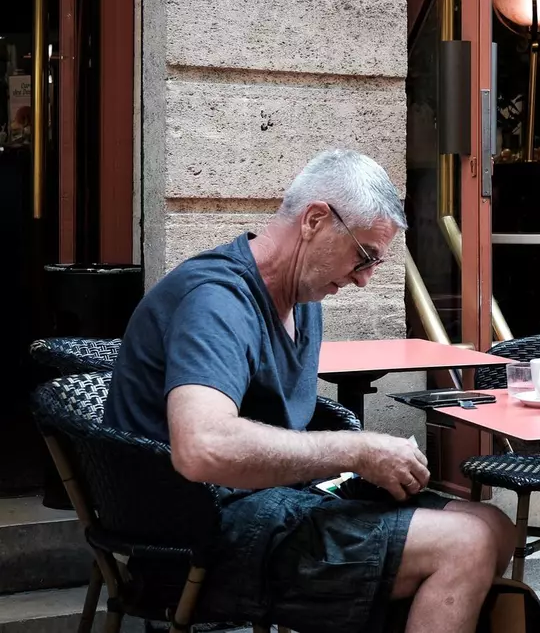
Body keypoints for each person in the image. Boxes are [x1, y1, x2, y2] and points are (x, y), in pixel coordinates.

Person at [104, 149, 515, 633]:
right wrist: (355, 450)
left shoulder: (303, 299)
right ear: (315, 219)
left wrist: (354, 464)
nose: (364, 280)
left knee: (494, 527)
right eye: (364, 256)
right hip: (200, 538)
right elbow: (204, 448)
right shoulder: (217, 300)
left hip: (269, 507)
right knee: (464, 544)